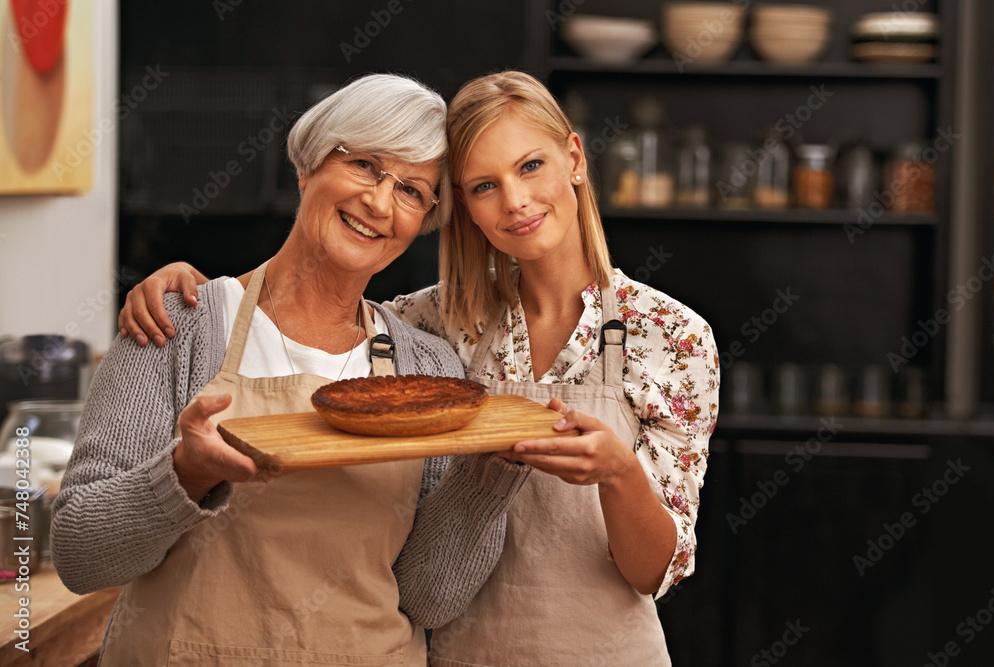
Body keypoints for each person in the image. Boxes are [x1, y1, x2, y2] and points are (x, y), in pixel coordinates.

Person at [118, 70, 719, 665]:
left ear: (574, 159)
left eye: (531, 166)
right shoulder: (432, 324)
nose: (515, 201)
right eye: (484, 186)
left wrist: (618, 473)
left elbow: (652, 575)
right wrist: (195, 286)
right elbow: (318, 291)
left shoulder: (673, 337)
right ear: (463, 208)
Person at [51, 73, 531, 667]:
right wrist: (185, 472)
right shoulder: (179, 323)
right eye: (363, 165)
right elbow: (78, 555)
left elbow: (427, 599)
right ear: (307, 167)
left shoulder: (422, 363)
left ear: (424, 220)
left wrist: (494, 473)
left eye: (412, 191)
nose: (380, 203)